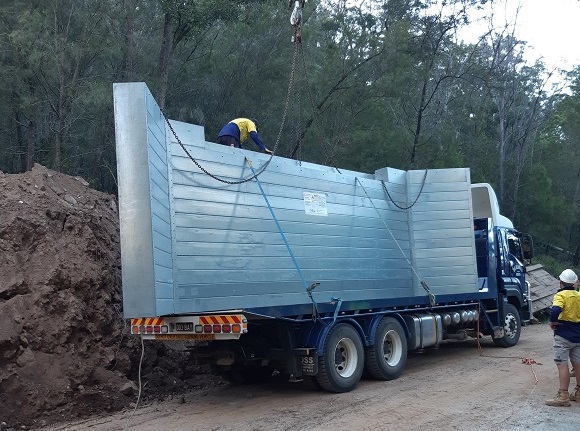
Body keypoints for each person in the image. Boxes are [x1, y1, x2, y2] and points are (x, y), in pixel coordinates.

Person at [545, 268, 580, 406]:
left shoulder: (561, 295)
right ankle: (578, 392)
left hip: (563, 334)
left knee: (562, 364)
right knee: (578, 364)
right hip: (578, 335)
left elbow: (555, 310)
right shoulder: (578, 295)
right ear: (574, 283)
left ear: (561, 283)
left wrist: (552, 321)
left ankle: (563, 395)